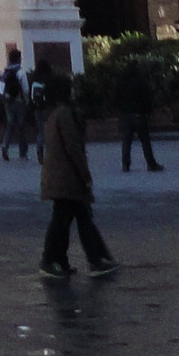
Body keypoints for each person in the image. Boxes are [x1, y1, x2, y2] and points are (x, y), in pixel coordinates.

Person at [37, 78, 117, 280]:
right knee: (67, 220)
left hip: (60, 177)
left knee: (76, 218)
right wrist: (85, 175)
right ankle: (56, 260)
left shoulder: (54, 116)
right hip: (67, 178)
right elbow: (73, 148)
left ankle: (86, 258)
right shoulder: (65, 115)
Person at [115, 56, 164, 173]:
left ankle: (125, 164)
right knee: (145, 140)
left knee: (126, 140)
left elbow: (116, 97)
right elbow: (146, 98)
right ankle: (151, 164)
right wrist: (149, 112)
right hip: (139, 114)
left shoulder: (121, 80)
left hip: (126, 114)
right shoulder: (140, 80)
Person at [0, 48, 32, 164]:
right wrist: (27, 101)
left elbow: (0, 88)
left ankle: (5, 145)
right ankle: (23, 152)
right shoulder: (20, 72)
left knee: (10, 124)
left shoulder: (4, 72)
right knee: (21, 127)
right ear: (18, 59)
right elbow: (25, 89)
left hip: (8, 101)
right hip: (19, 101)